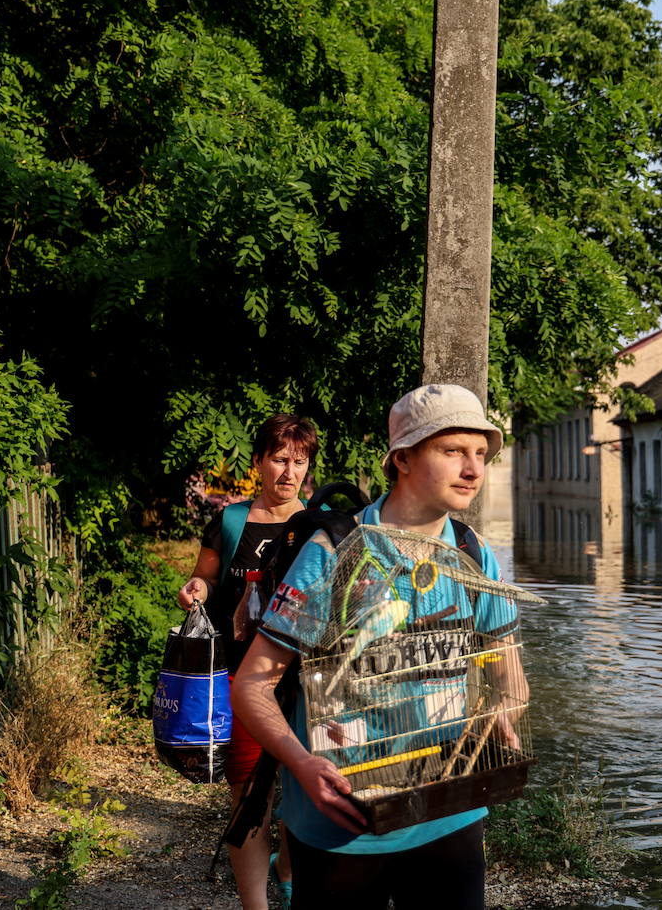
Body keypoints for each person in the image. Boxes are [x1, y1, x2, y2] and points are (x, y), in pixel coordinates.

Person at [232, 384, 527, 910]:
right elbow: (253, 684)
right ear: (404, 458)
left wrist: (502, 711)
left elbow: (509, 675)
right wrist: (301, 765)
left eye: (481, 453)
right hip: (343, 825)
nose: (473, 469)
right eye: (453, 450)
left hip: (449, 815)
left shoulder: (474, 553)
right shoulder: (335, 554)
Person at [179, 413, 317, 909]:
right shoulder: (232, 521)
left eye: (299, 462)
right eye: (279, 460)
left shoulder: (318, 527)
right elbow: (207, 580)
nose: (289, 472)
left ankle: (288, 867)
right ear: (258, 461)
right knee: (247, 798)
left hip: (307, 682)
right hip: (241, 677)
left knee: (304, 792)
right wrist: (199, 588)